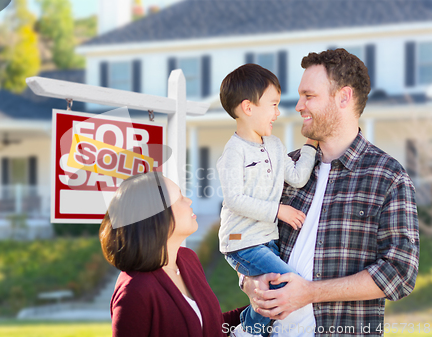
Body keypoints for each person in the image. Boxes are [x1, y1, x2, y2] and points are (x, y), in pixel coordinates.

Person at [240, 49, 420, 337]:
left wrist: (310, 292)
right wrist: (250, 282)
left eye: (309, 96)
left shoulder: (388, 177)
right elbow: (247, 235)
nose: (298, 105)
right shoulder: (284, 168)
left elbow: (400, 273)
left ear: (343, 97)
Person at [217, 63, 318, 335]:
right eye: (273, 105)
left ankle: (247, 329)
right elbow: (235, 199)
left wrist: (310, 146)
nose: (278, 112)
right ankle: (247, 331)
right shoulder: (233, 153)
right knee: (289, 283)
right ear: (248, 108)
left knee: (270, 290)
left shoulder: (274, 145)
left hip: (266, 239)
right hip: (241, 242)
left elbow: (296, 177)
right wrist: (278, 211)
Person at [99, 171, 247, 337]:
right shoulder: (134, 291)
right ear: (156, 216)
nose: (189, 201)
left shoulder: (187, 259)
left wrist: (262, 308)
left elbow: (210, 326)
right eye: (180, 198)